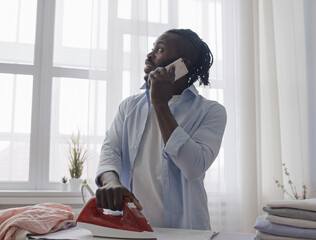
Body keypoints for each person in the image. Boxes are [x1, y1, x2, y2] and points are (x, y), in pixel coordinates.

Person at [95, 29, 227, 230]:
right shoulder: (129, 107)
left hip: (187, 232)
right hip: (132, 229)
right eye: (152, 49)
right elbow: (110, 149)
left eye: (159, 49)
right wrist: (111, 182)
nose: (149, 55)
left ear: (182, 64)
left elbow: (194, 166)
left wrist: (160, 103)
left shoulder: (210, 111)